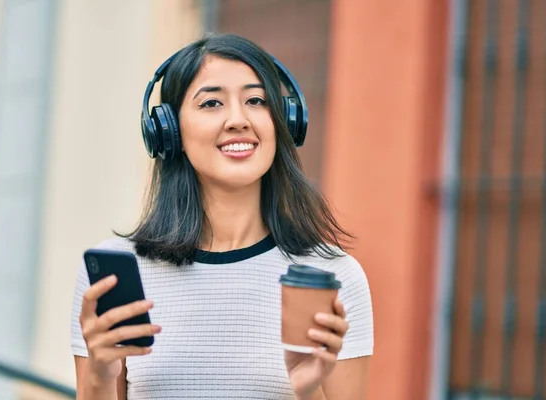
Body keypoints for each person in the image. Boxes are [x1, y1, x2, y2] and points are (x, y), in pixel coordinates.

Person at [71, 33, 373, 400]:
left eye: (256, 100)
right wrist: (101, 375)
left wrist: (306, 390)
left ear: (284, 122)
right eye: (212, 103)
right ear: (168, 130)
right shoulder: (120, 274)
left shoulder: (333, 276)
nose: (237, 119)